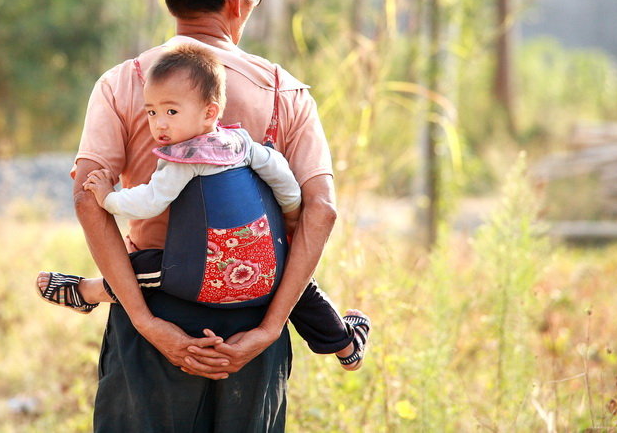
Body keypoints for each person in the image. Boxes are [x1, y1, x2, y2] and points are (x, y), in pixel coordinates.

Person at [56, 0, 359, 432]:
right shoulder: (287, 93)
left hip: (152, 310)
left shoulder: (125, 84)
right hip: (253, 310)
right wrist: (267, 329)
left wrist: (147, 323)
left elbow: (89, 199)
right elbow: (321, 210)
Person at [36, 41, 371, 372]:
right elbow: (281, 172)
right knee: (303, 291)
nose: (159, 124)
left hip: (202, 272)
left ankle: (89, 291)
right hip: (263, 271)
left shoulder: (185, 158)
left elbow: (149, 202)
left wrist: (108, 197)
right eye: (151, 112)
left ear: (210, 111)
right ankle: (345, 345)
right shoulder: (241, 142)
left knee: (141, 268)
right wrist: (292, 210)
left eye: (171, 112)